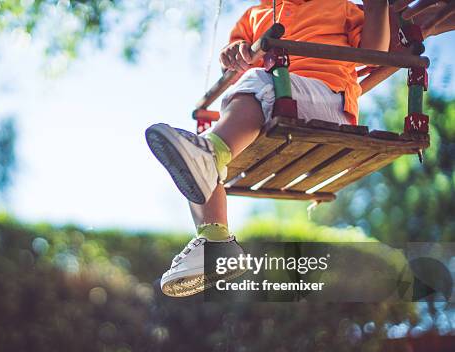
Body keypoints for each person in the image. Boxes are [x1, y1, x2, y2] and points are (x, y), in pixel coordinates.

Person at [145, 0, 391, 297]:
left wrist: (378, 8)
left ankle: (208, 154)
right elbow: (234, 56)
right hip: (272, 104)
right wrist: (232, 53)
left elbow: (375, 53)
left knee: (250, 92)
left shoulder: (340, 6)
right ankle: (215, 242)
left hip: (328, 99)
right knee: (200, 159)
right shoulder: (255, 15)